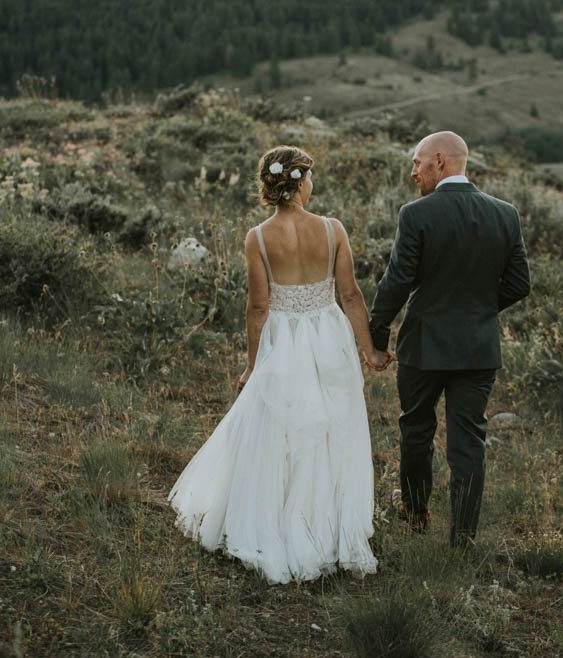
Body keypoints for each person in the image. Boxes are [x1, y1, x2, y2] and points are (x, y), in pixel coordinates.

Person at [168, 145, 390, 584]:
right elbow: (350, 296)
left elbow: (258, 307)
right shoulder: (333, 229)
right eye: (310, 177)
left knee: (284, 432)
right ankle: (325, 528)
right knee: (331, 430)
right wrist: (370, 352)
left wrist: (253, 366)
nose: (312, 184)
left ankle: (283, 520)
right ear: (300, 181)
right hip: (329, 338)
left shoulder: (258, 237)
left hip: (283, 341)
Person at [369, 131, 530, 547]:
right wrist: (478, 309)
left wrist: (377, 331)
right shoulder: (505, 213)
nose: (413, 171)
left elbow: (398, 280)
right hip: (478, 348)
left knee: (416, 430)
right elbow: (519, 283)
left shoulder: (416, 214)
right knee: (469, 441)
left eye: (417, 162)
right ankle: (463, 537)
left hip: (424, 345)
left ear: (440, 161)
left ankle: (417, 514)